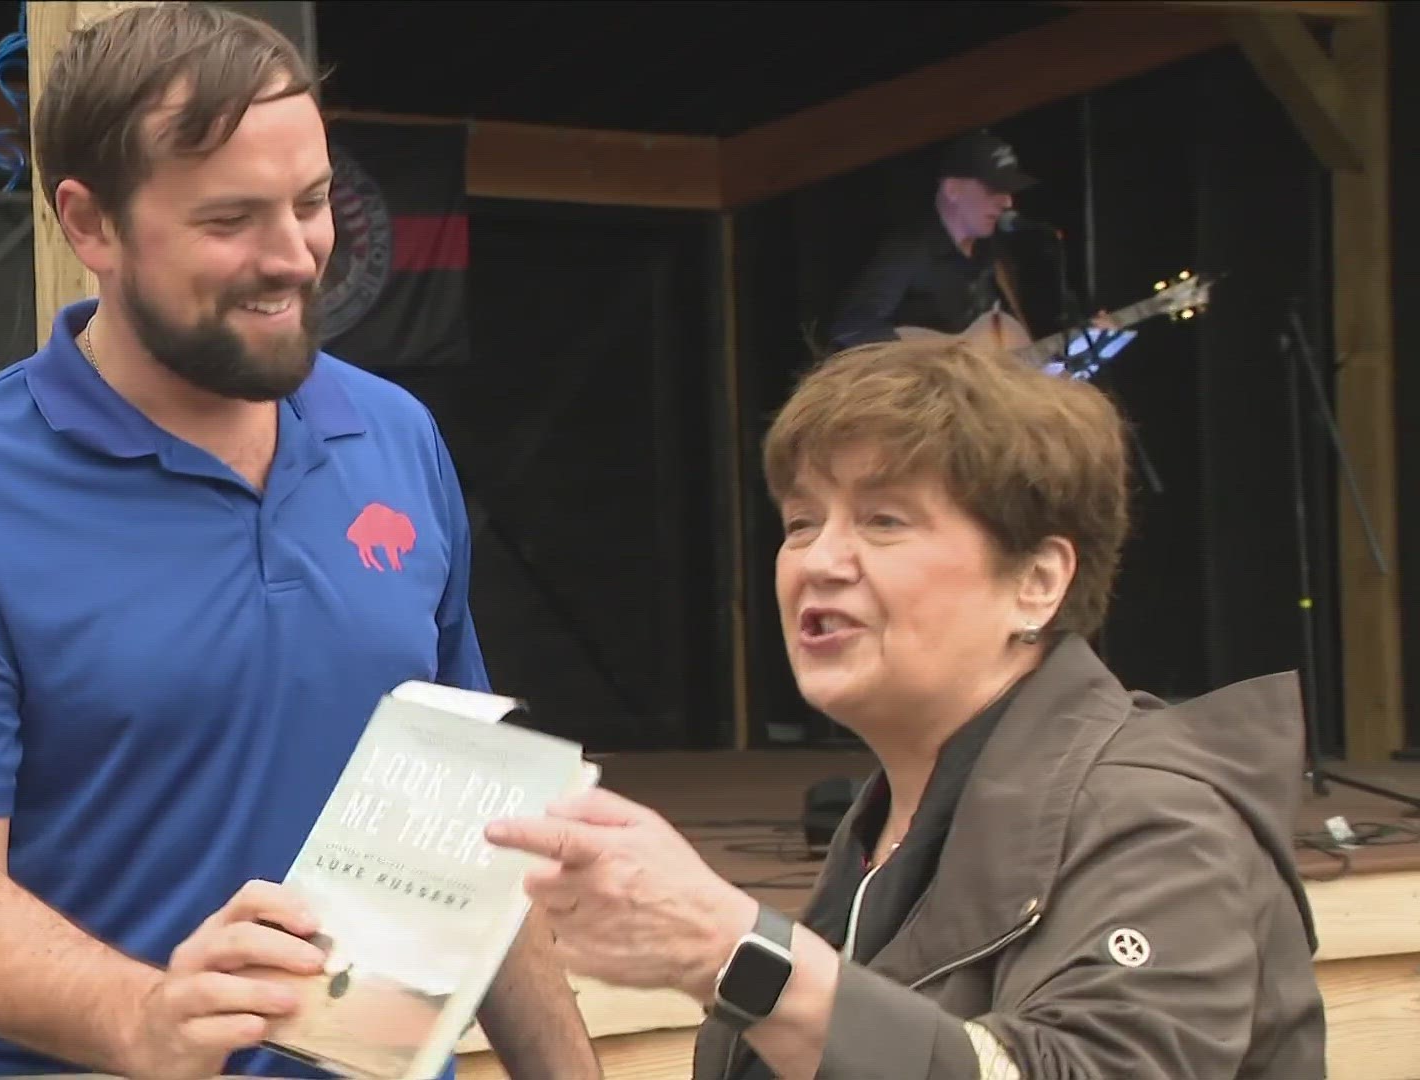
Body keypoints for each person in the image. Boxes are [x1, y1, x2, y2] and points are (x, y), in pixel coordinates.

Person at [0, 5, 599, 1078]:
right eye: (232, 219)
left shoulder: (392, 439)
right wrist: (143, 1015)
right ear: (91, 225)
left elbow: (464, 827)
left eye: (315, 201)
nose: (295, 257)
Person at [485, 337, 1326, 1079]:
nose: (820, 560)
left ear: (1037, 582)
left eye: (884, 521)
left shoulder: (1157, 818)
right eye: (802, 521)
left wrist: (730, 950)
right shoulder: (889, 822)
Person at [824, 130, 1036, 353]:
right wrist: (931, 365)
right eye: (993, 189)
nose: (1007, 202)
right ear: (952, 190)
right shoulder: (910, 250)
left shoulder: (994, 258)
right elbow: (852, 324)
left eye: (1009, 192)